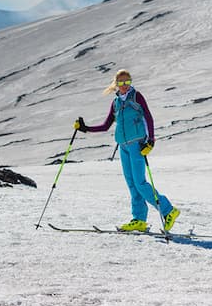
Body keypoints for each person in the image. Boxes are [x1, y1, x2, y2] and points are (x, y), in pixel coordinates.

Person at [75, 69, 181, 233]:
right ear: (116, 84)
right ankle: (139, 219)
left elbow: (149, 118)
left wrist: (151, 141)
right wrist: (85, 128)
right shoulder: (116, 102)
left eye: (128, 82)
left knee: (140, 183)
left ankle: (168, 210)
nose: (125, 86)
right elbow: (106, 125)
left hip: (137, 144)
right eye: (121, 83)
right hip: (123, 146)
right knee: (132, 184)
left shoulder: (136, 97)